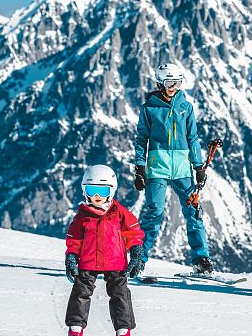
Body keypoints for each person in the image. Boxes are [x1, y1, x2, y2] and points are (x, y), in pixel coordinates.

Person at [133, 63, 213, 274]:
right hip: (157, 168)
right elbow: (141, 138)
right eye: (170, 83)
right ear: (160, 83)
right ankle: (139, 258)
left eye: (177, 83)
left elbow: (193, 138)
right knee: (154, 213)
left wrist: (198, 166)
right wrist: (139, 167)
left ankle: (201, 258)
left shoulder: (185, 107)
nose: (174, 87)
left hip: (182, 169)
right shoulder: (149, 108)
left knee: (193, 211)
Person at [64, 165, 145, 336]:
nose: (97, 196)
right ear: (84, 190)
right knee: (80, 293)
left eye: (102, 190)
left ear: (111, 190)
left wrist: (136, 253)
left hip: (115, 263)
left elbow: (134, 233)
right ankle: (75, 329)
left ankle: (123, 330)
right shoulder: (82, 216)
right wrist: (71, 257)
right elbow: (74, 240)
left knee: (120, 295)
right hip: (88, 262)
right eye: (92, 190)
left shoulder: (119, 213)